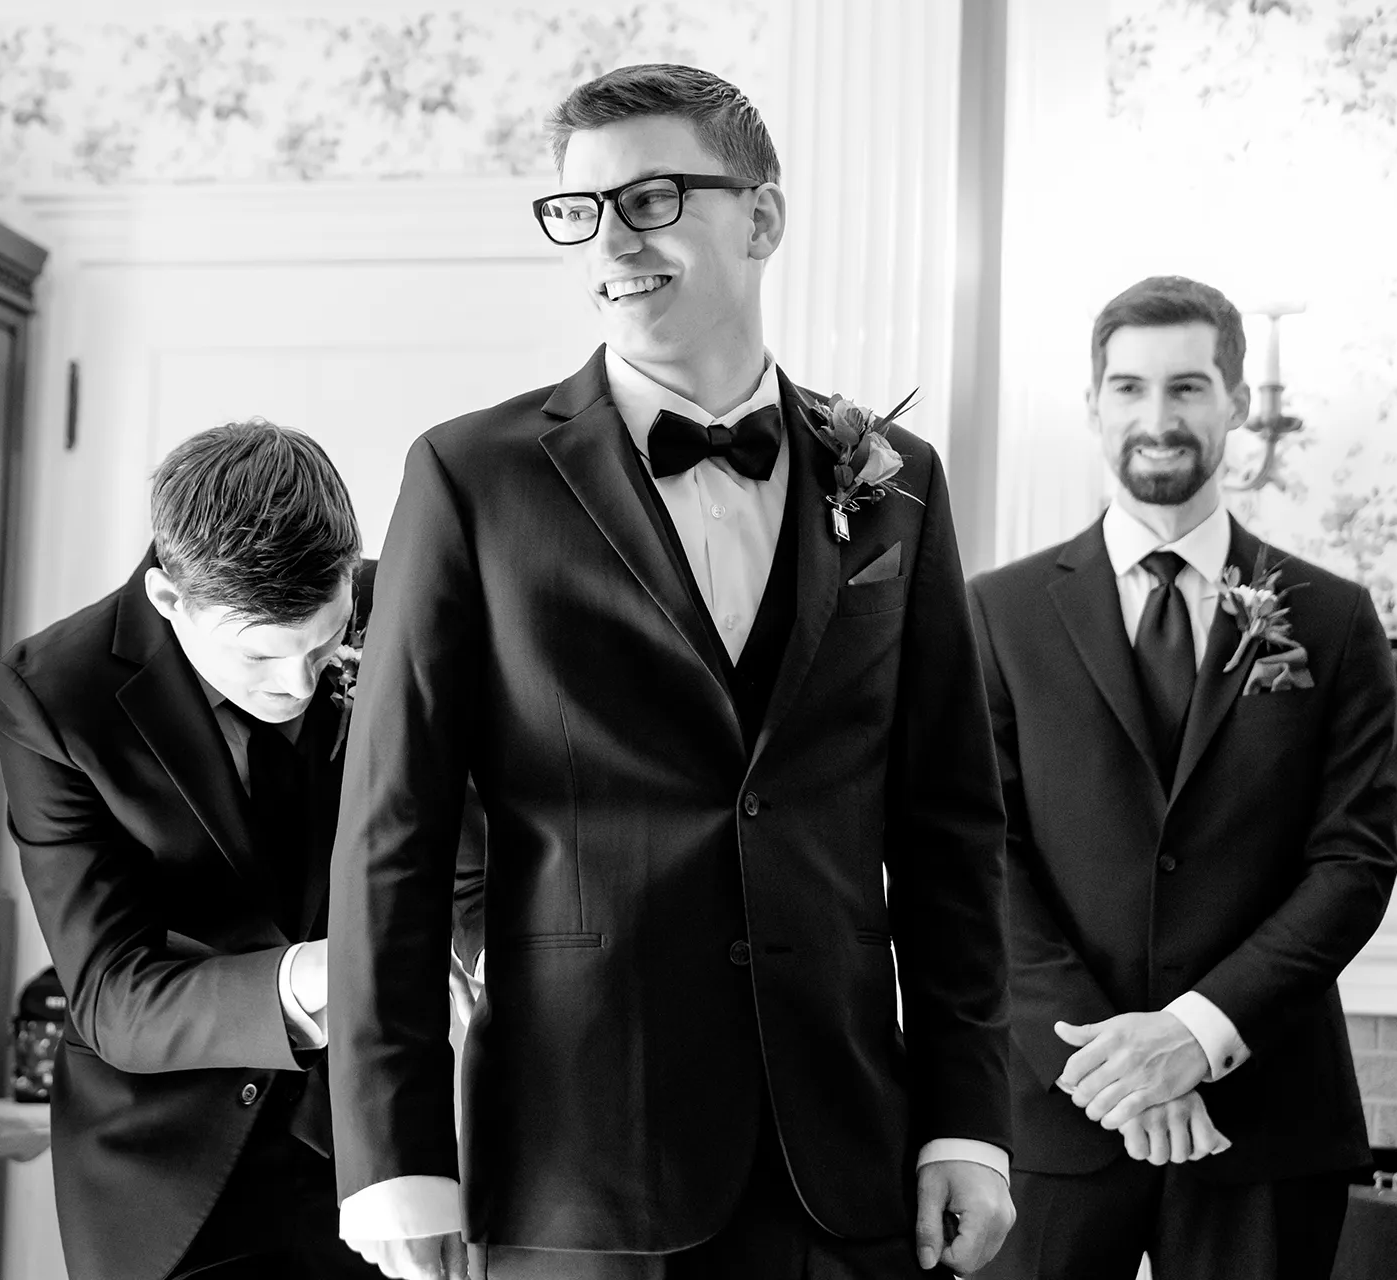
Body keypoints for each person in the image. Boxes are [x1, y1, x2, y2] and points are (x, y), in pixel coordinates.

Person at [328, 64, 1016, 1280]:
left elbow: (949, 822)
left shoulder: (896, 479)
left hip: (840, 1156)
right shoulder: (469, 478)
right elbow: (394, 834)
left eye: (650, 199)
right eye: (579, 210)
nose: (609, 240)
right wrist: (393, 1152)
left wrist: (968, 1116)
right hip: (574, 1160)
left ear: (762, 216)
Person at [966, 275, 1397, 1279]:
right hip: (1048, 1119)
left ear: (1237, 404)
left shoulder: (1332, 618)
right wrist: (1118, 1069)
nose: (1157, 419)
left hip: (1266, 1116)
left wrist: (1197, 1035)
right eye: (1129, 388)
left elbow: (1354, 863)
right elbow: (981, 855)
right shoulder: (995, 611)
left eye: (1189, 387)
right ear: (1092, 406)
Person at [0, 420, 384, 1280]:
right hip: (172, 1176)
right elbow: (109, 992)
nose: (299, 683)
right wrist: (320, 972)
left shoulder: (402, 609)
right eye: (264, 655)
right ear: (172, 602)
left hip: (381, 1143)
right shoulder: (56, 695)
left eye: (325, 643)